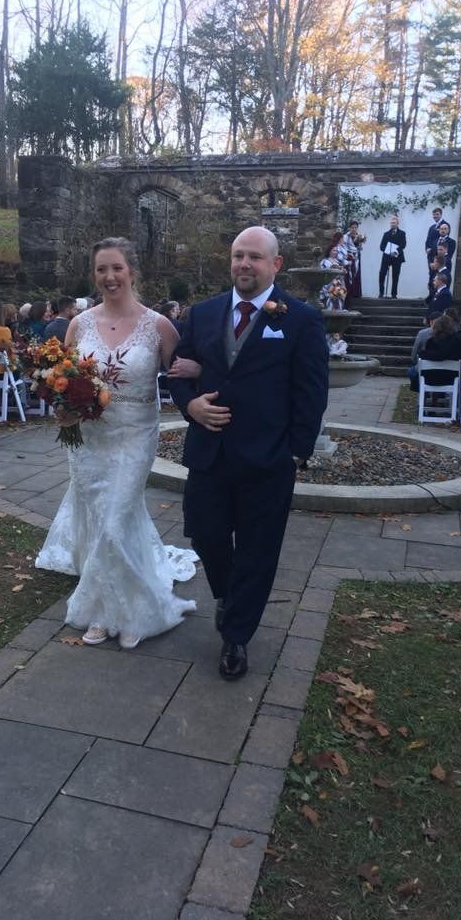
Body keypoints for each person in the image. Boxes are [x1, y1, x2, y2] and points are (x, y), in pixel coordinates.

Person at [168, 226, 328, 680]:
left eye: (255, 257)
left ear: (275, 264)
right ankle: (229, 594)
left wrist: (297, 452)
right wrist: (191, 405)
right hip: (209, 454)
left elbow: (311, 391)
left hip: (267, 458)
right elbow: (179, 372)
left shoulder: (300, 319)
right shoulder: (204, 313)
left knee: (258, 551)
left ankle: (236, 636)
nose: (244, 264)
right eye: (238, 255)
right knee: (204, 535)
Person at [35, 237, 198, 650]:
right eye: (101, 270)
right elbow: (63, 378)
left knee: (114, 522)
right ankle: (110, 610)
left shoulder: (158, 325)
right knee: (103, 523)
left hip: (135, 435)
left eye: (116, 268)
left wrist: (199, 367)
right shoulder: (79, 324)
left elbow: (183, 376)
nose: (109, 277)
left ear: (132, 271)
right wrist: (62, 407)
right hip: (88, 439)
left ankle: (137, 610)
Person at [378, 215, 406, 298]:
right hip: (387, 257)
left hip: (397, 257)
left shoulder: (402, 233)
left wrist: (395, 252)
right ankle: (381, 293)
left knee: (395, 275)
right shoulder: (386, 234)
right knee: (382, 274)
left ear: (398, 224)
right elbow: (381, 246)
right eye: (391, 223)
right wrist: (389, 252)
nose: (392, 224)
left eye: (394, 223)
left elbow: (403, 245)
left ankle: (394, 294)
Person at [342, 220, 364, 298]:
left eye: (355, 227)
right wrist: (349, 253)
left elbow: (360, 248)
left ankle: (356, 293)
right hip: (349, 257)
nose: (354, 229)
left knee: (356, 273)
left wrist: (360, 244)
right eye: (352, 227)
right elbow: (344, 247)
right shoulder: (345, 236)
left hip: (357, 257)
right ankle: (349, 293)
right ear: (349, 228)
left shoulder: (359, 236)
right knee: (349, 274)